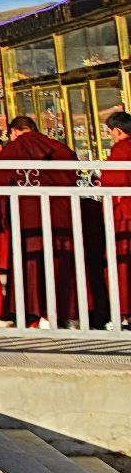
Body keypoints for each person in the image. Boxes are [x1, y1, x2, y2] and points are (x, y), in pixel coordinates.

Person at [0, 115, 79, 329]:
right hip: (63, 215)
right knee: (61, 263)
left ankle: (35, 313)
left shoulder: (15, 148)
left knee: (33, 265)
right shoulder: (58, 147)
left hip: (29, 216)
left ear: (14, 131)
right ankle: (62, 313)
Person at [102, 111, 131, 330]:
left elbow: (113, 183)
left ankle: (122, 314)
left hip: (124, 214)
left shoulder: (121, 150)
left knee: (120, 265)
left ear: (117, 131)